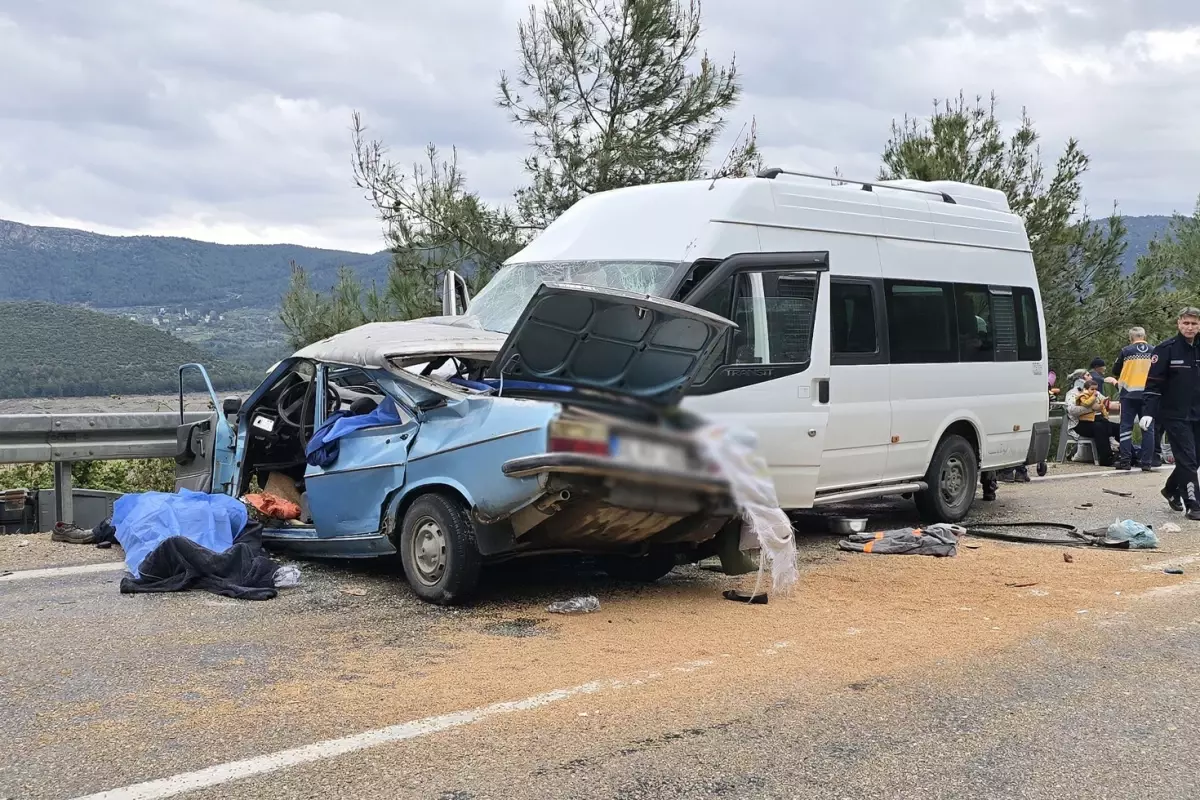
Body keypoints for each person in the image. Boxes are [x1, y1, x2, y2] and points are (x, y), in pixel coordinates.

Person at [1141, 307, 1200, 519]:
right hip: (1175, 414)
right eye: (1186, 323)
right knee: (1187, 459)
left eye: (1194, 323)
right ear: (1179, 324)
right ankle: (1194, 504)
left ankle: (1171, 488)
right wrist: (1148, 412)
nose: (1190, 327)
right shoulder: (1166, 349)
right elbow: (1153, 384)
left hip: (1197, 413)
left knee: (1196, 458)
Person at [1108, 327, 1157, 471]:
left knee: (1126, 427)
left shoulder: (1126, 351)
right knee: (1148, 428)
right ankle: (1147, 462)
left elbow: (1116, 371)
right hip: (1148, 395)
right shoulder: (1154, 351)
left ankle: (1125, 461)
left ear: (1131, 338)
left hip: (1129, 394)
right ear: (1144, 336)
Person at [1072, 377, 1117, 467]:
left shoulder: (1096, 393)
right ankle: (1106, 458)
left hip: (1098, 419)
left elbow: (1106, 403)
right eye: (1086, 374)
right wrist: (1092, 408)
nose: (1089, 376)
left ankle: (1128, 455)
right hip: (1081, 423)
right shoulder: (1073, 394)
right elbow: (1072, 410)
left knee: (1117, 427)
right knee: (1100, 427)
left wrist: (1111, 403)